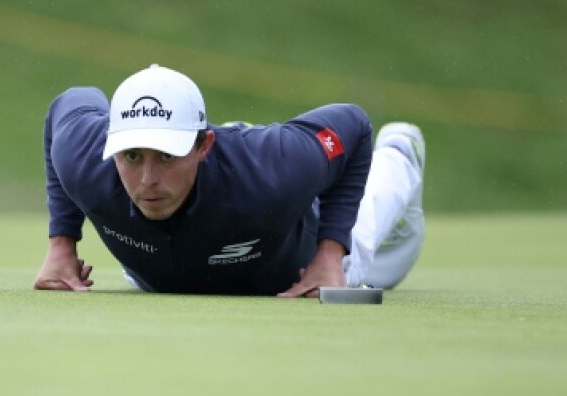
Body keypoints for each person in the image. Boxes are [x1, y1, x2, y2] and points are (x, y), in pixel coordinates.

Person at [34, 64, 426, 297]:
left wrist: (329, 254)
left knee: (373, 245)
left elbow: (352, 126)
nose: (147, 180)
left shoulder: (275, 170)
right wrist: (61, 244)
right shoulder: (84, 156)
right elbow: (67, 103)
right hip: (162, 270)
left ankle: (400, 154)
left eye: (167, 156)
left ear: (203, 146)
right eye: (132, 156)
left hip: (297, 261)